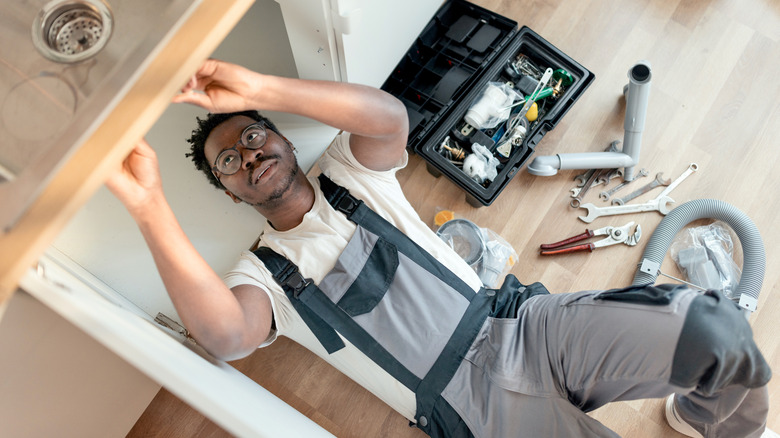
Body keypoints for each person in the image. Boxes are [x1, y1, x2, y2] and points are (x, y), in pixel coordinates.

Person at [106, 59, 773, 438]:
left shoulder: (349, 170)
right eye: (229, 162)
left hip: (519, 324)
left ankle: (702, 418)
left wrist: (255, 92)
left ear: (279, 139)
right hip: (472, 406)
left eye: (254, 137)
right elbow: (224, 336)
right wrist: (147, 205)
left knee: (715, 330)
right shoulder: (262, 274)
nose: (249, 156)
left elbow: (390, 118)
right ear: (229, 194)